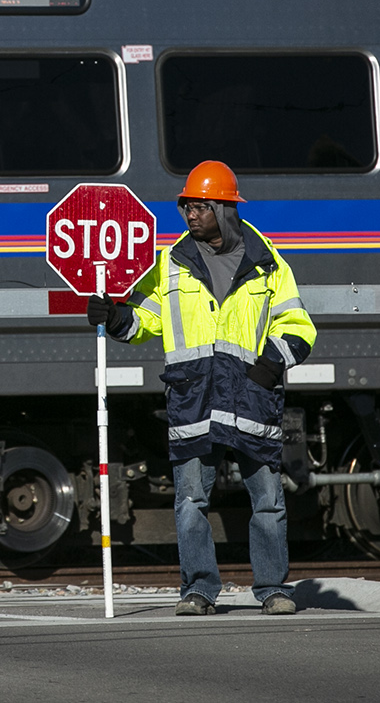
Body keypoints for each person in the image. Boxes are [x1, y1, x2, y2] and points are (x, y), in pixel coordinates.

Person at [87, 160, 317, 616]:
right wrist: (117, 318)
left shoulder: (267, 262)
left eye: (199, 206)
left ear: (225, 208)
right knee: (191, 501)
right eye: (186, 207)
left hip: (252, 400)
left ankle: (274, 590)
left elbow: (299, 326)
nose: (191, 214)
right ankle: (198, 591)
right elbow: (147, 319)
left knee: (268, 502)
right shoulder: (170, 264)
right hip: (194, 401)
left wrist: (268, 368)